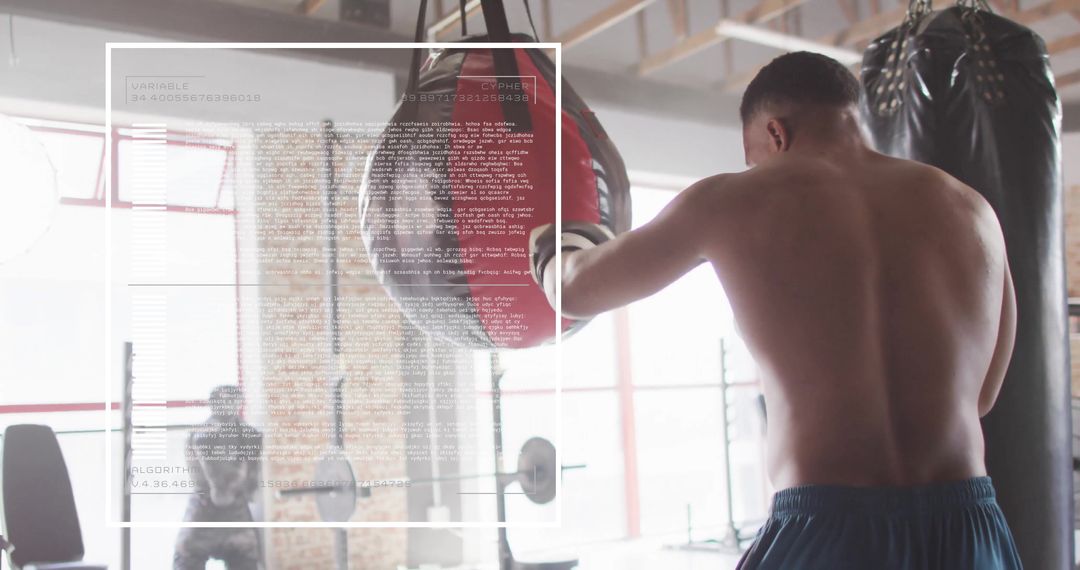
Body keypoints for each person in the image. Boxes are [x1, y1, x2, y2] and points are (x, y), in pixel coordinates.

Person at [530, 52, 1021, 569]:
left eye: (754, 156)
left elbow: (575, 289)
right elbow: (983, 397)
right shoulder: (973, 209)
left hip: (830, 528)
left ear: (776, 133)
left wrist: (551, 246)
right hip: (969, 528)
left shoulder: (730, 199)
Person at [174, 385, 263, 570]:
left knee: (187, 557)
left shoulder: (246, 435)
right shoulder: (205, 436)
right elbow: (246, 487)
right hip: (221, 515)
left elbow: (231, 492)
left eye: (234, 401)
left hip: (215, 515)